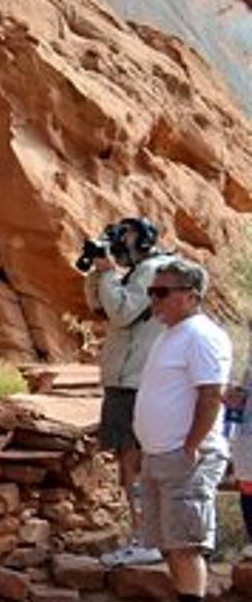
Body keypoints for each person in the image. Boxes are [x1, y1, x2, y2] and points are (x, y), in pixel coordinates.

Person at [128, 258, 230, 602]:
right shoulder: (169, 334)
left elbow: (210, 395)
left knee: (186, 542)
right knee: (170, 542)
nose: (153, 300)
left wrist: (191, 445)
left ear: (190, 296)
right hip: (161, 453)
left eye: (161, 292)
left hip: (185, 456)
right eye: (153, 292)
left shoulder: (201, 336)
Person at [87, 217, 171, 568]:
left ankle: (147, 537)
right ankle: (146, 535)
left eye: (126, 237)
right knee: (128, 462)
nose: (121, 244)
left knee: (134, 463)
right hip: (125, 381)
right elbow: (98, 307)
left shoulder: (153, 270)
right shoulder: (133, 273)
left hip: (137, 381)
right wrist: (97, 272)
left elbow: (121, 313)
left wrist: (108, 273)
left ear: (145, 240)